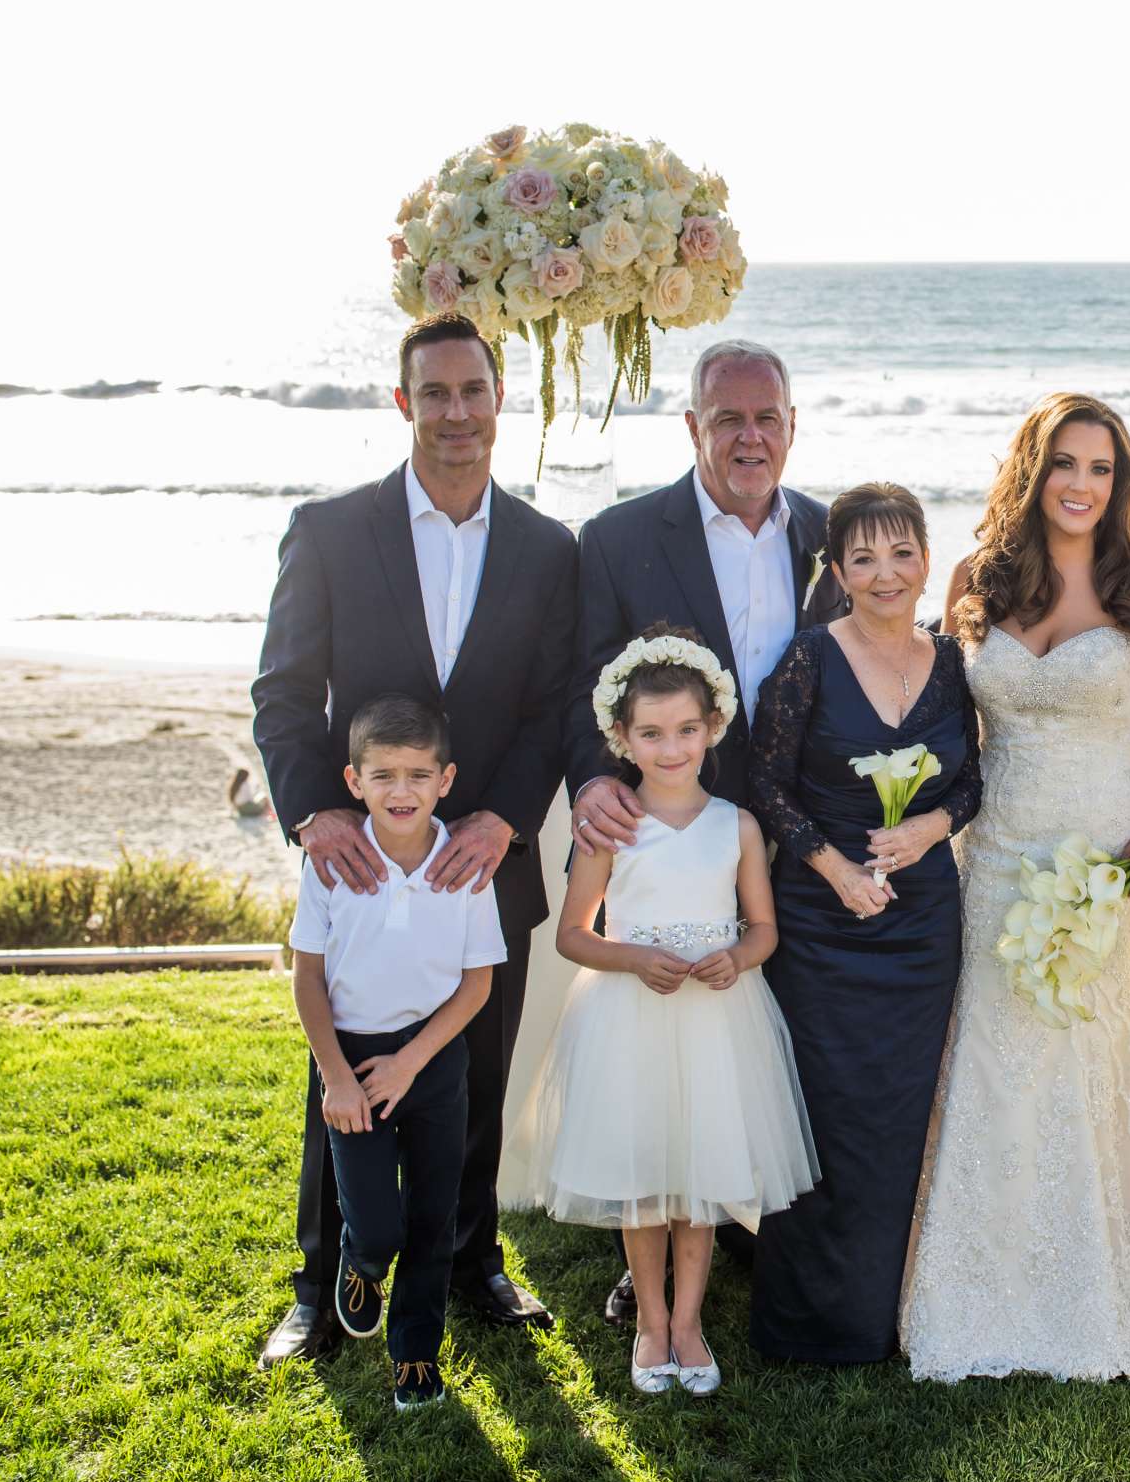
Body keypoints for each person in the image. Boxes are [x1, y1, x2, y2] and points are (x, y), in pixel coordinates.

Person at [252, 313, 576, 1367]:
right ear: (403, 404)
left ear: (499, 400)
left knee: (475, 1075)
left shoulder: (546, 546)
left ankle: (476, 1260)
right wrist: (317, 811)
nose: (455, 412)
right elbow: (285, 692)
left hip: (485, 866)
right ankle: (320, 1279)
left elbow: (556, 706)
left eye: (472, 391)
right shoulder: (330, 530)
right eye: (432, 393)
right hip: (364, 863)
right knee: (338, 1069)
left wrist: (506, 816)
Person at [902, 394, 1130, 1381]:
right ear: (1033, 471)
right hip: (997, 846)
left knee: (1090, 1037)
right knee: (993, 1037)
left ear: (1120, 483)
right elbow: (939, 715)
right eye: (1066, 464)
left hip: (1102, 852)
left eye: (1101, 468)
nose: (1082, 484)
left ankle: (1108, 1262)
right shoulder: (977, 578)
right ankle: (975, 1268)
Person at [562, 338, 844, 1325]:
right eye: (729, 419)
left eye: (768, 417)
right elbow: (584, 689)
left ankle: (769, 1232)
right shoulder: (621, 539)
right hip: (668, 836)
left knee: (768, 1042)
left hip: (797, 844)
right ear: (692, 428)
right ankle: (654, 1256)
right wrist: (595, 781)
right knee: (661, 1051)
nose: (750, 436)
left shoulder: (831, 536)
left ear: (794, 425)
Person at [521, 627, 816, 1396]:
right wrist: (634, 957)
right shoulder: (610, 828)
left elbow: (763, 928)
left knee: (701, 1177)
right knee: (645, 1178)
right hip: (632, 1019)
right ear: (620, 737)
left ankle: (690, 1321)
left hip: (719, 1022)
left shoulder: (737, 825)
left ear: (713, 727)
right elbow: (573, 935)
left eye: (687, 730)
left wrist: (738, 956)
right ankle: (649, 1321)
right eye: (650, 733)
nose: (671, 747)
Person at [747, 484, 982, 1362]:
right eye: (863, 558)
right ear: (837, 571)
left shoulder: (953, 661)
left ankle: (891, 1311)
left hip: (920, 927)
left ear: (927, 557)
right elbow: (764, 784)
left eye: (901, 553)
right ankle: (808, 1320)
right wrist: (832, 866)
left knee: (900, 1116)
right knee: (822, 1110)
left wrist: (930, 827)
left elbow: (973, 778)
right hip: (819, 924)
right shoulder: (811, 658)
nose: (885, 574)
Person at [287, 695, 504, 1412]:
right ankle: (361, 1260)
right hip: (352, 1061)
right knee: (378, 1222)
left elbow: (477, 983)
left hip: (434, 1058)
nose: (401, 792)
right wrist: (337, 1078)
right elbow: (308, 978)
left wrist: (413, 1061)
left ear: (447, 780)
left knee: (434, 1216)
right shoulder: (329, 863)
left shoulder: (467, 865)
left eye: (418, 775)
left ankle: (415, 1351)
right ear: (353, 782)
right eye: (383, 776)